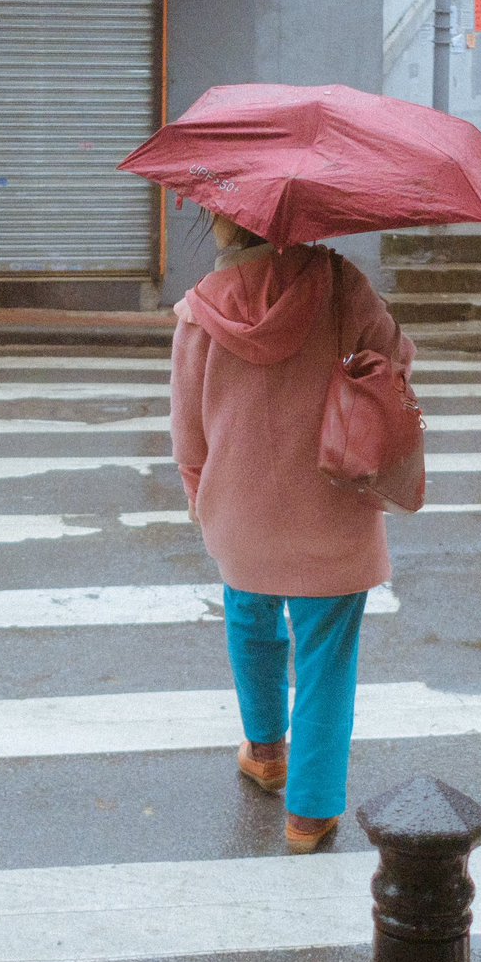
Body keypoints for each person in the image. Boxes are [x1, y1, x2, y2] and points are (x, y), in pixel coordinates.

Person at [170, 211, 415, 853]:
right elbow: (396, 363)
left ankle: (265, 752)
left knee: (250, 623)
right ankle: (310, 814)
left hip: (241, 515)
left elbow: (188, 433)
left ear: (224, 225)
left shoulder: (199, 313)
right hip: (332, 511)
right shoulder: (342, 284)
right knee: (326, 658)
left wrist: (205, 500)